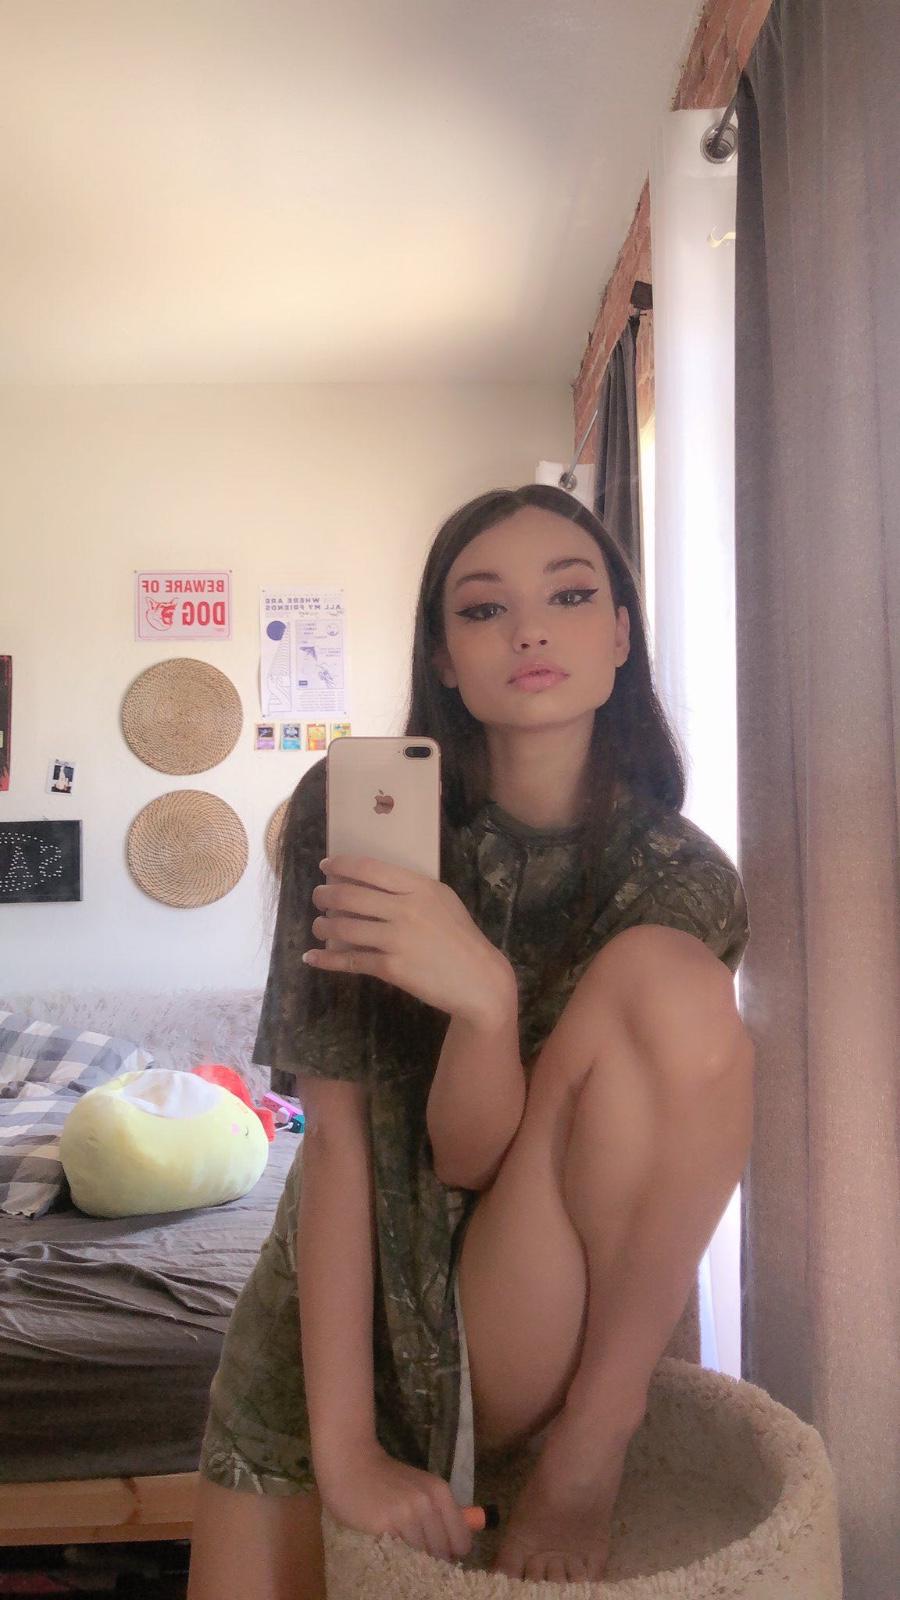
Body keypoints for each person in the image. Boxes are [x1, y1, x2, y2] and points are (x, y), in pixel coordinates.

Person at [187, 484, 753, 1597]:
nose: (530, 630)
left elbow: (510, 1169)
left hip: (528, 1308)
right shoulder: (348, 815)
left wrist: (483, 987)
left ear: (621, 634)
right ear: (443, 659)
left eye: (570, 596)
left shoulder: (681, 878)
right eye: (485, 609)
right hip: (348, 1299)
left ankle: (594, 1440)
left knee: (670, 983)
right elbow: (354, 1141)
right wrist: (346, 1448)